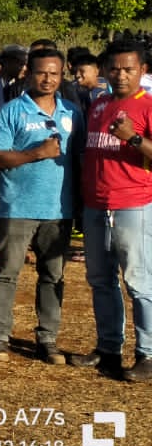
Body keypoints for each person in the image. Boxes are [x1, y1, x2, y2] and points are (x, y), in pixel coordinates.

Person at [0, 48, 80, 365]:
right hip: (17, 207)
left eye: (54, 73)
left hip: (59, 209)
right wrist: (35, 154)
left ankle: (47, 339)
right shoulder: (11, 111)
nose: (48, 79)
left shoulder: (72, 112)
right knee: (6, 274)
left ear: (62, 75)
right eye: (41, 72)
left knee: (53, 276)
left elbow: (79, 158)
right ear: (29, 74)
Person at [70, 40, 152, 381]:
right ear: (104, 70)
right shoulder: (98, 104)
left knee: (139, 282)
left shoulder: (148, 106)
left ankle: (147, 354)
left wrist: (134, 138)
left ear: (142, 71)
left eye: (128, 69)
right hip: (96, 205)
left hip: (133, 204)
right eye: (114, 69)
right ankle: (108, 348)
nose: (121, 75)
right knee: (101, 280)